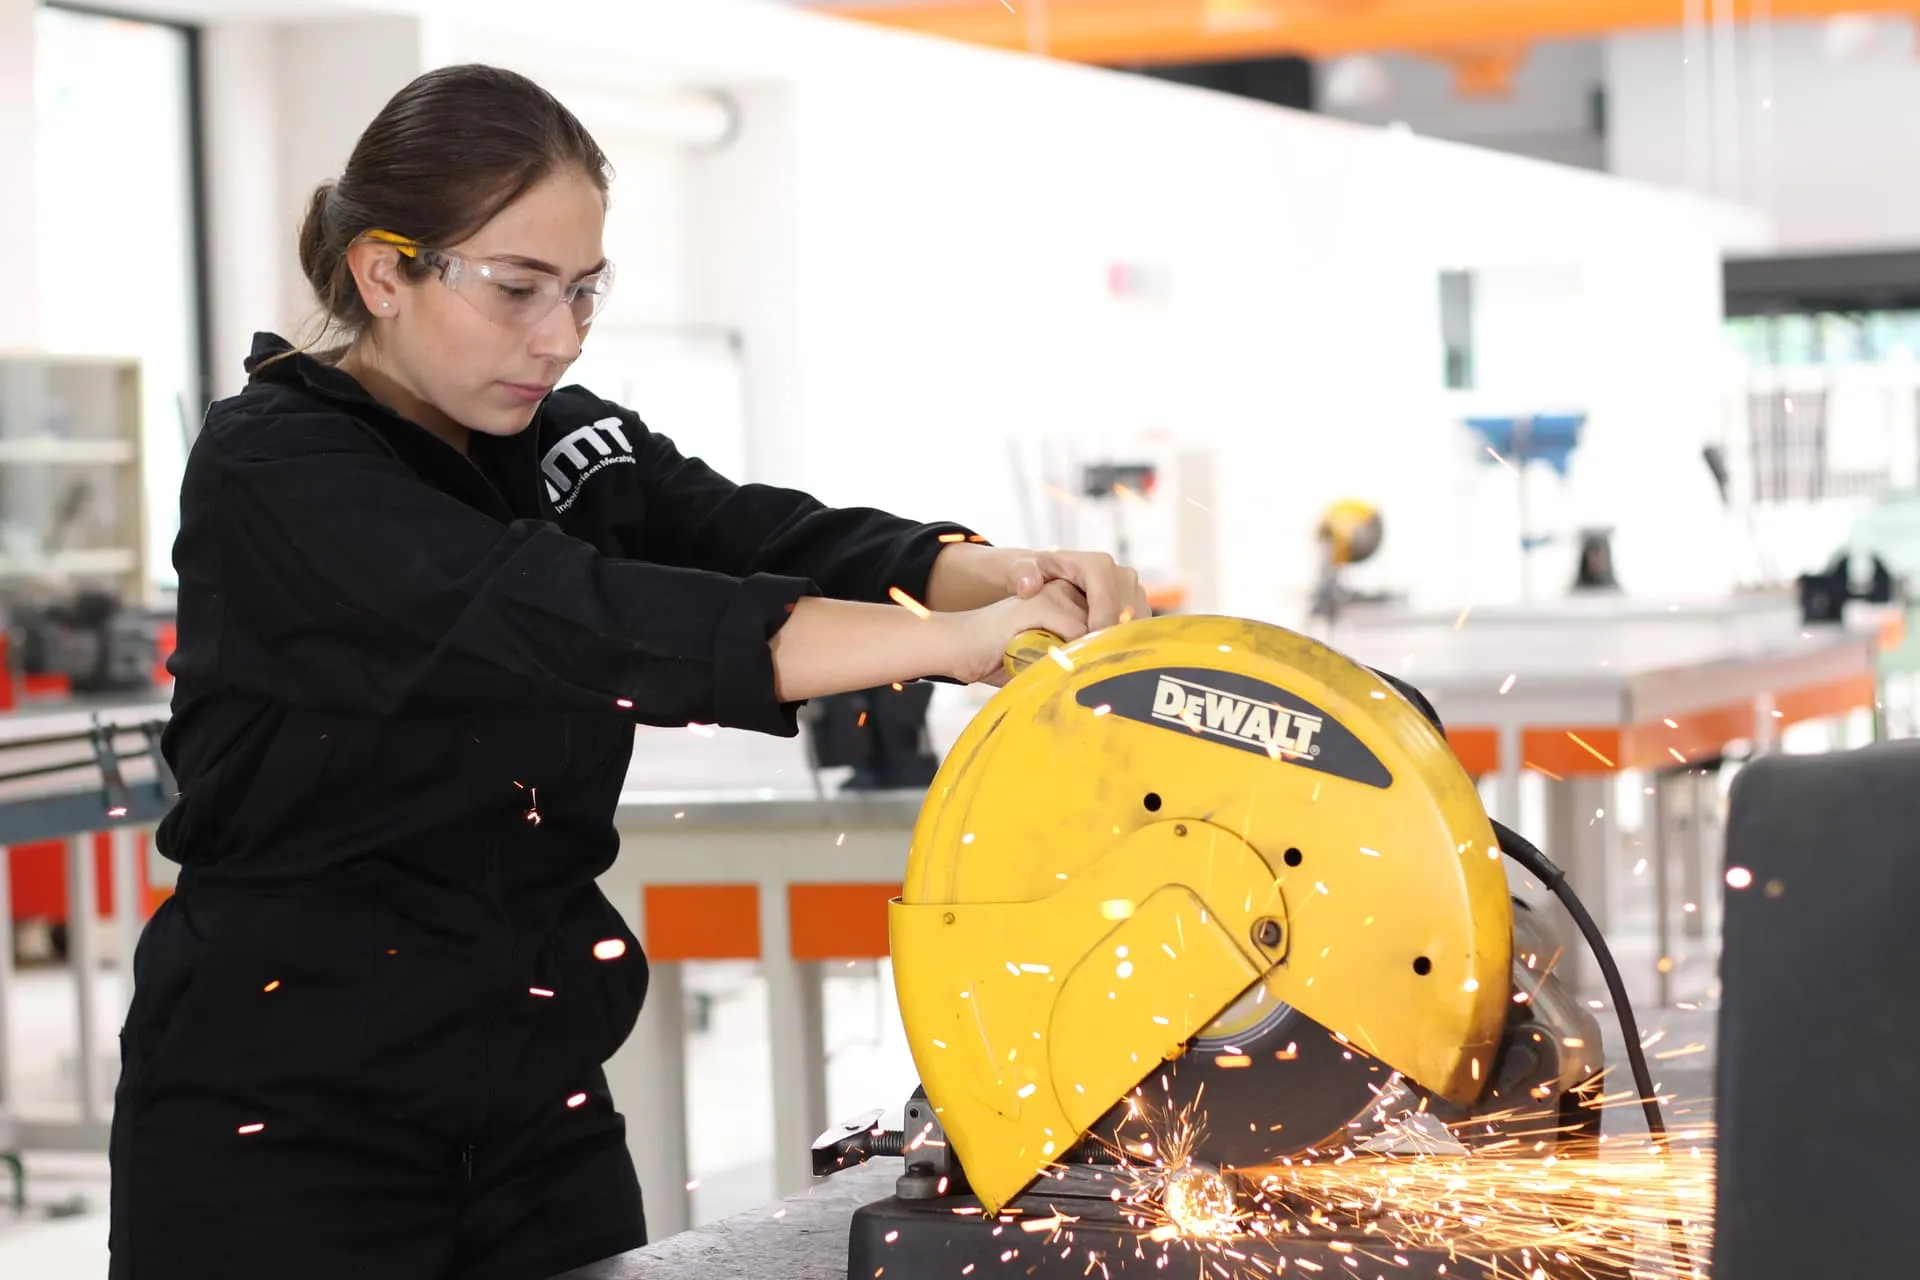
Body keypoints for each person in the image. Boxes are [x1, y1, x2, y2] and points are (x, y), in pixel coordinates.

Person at [109, 63, 1147, 1280]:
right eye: (516, 289)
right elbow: (579, 619)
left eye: (583, 292)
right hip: (283, 1120)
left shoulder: (560, 434)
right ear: (382, 271)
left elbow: (755, 532)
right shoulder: (276, 467)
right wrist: (943, 646)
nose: (556, 336)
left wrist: (998, 574)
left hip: (532, 1097)